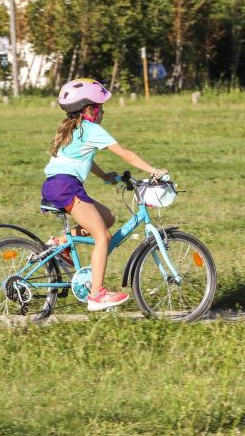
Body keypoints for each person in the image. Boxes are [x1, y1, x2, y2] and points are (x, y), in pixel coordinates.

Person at [42, 78, 167, 311]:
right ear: (90, 109)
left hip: (57, 185)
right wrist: (153, 171)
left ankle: (58, 245)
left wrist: (105, 177)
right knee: (103, 236)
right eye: (100, 107)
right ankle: (97, 294)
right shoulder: (92, 129)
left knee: (108, 217)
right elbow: (126, 154)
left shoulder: (72, 129)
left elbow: (84, 158)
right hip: (67, 187)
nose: (103, 112)